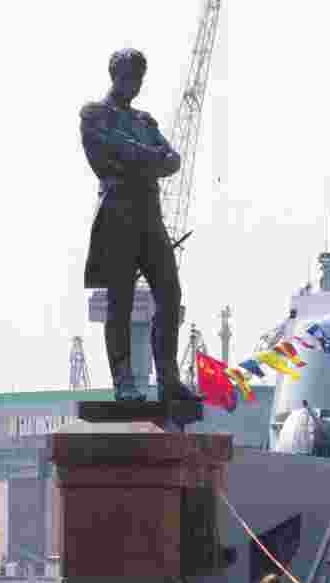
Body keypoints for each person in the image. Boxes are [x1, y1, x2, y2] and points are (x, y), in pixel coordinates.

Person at [79, 49, 200, 404]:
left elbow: (172, 160)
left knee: (170, 293)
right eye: (129, 77)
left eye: (139, 78)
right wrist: (147, 157)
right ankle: (124, 381)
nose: (134, 85)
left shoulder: (145, 122)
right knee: (120, 301)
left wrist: (134, 156)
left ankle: (167, 378)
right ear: (114, 75)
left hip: (150, 215)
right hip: (117, 214)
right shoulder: (94, 114)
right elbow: (103, 156)